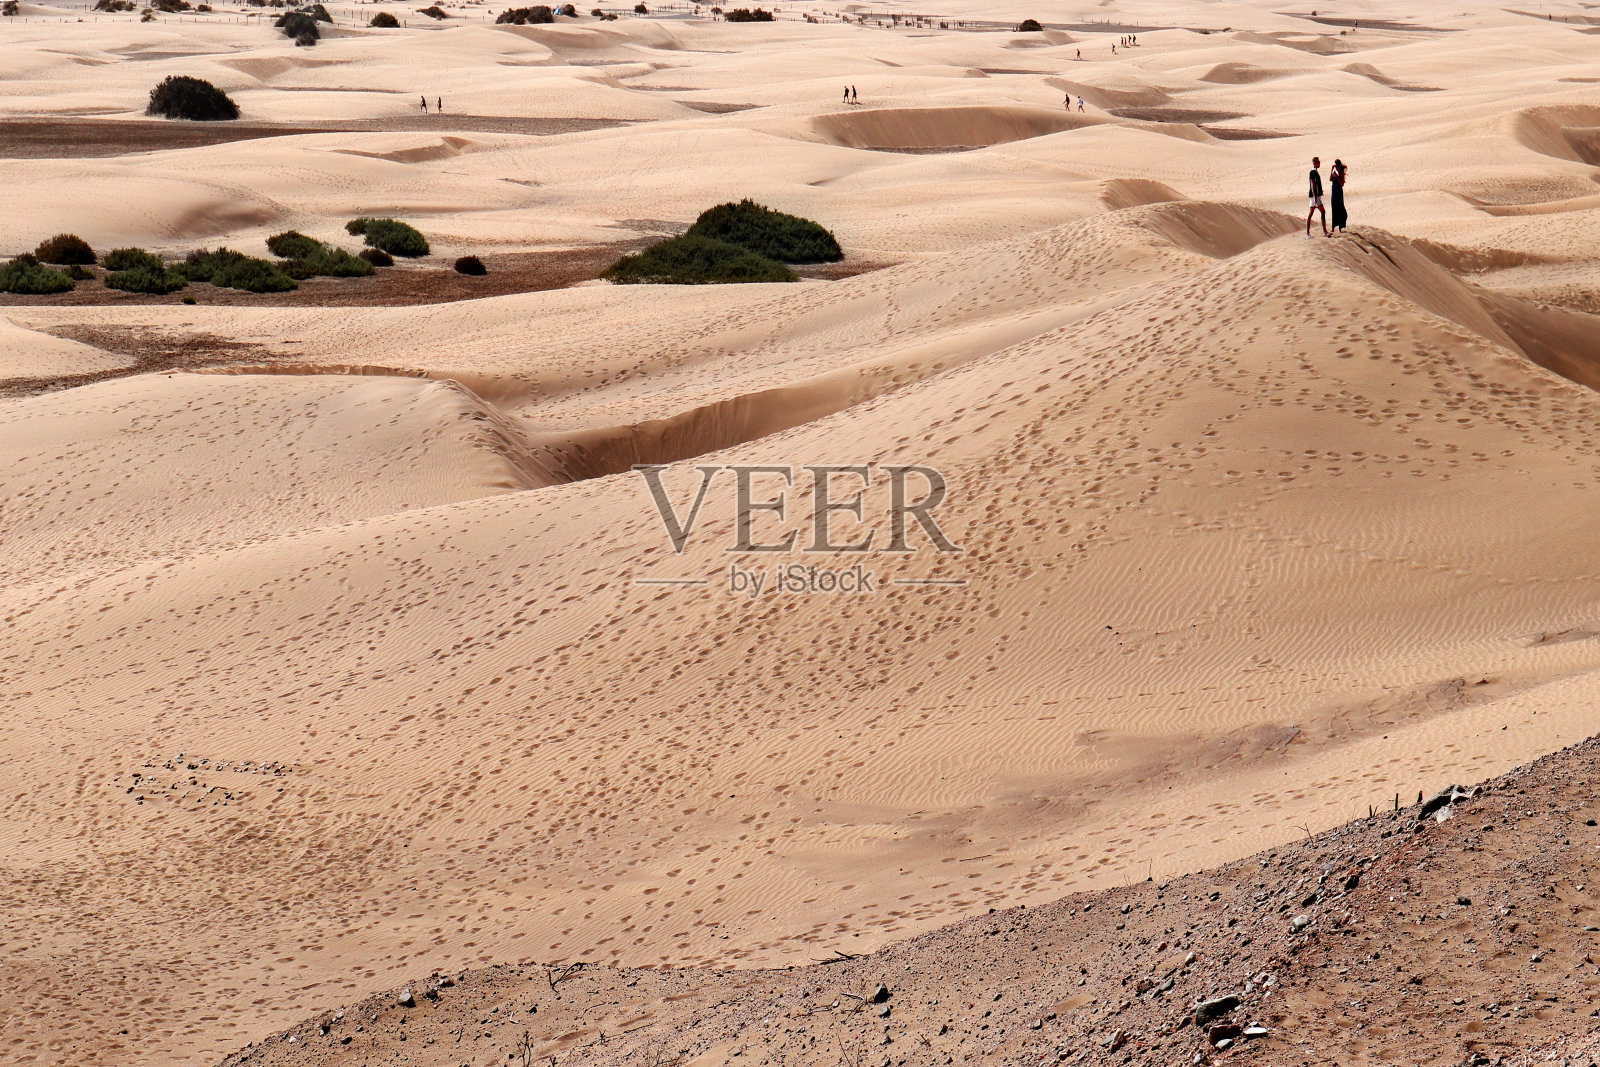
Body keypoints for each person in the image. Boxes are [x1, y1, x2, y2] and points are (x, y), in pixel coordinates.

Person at [1306, 155, 1329, 238]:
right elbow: (1313, 184)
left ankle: (1309, 233)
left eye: (1319, 162)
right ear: (1314, 163)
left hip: (1315, 196)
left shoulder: (1315, 172)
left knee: (1314, 213)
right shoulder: (1313, 172)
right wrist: (1315, 197)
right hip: (1314, 196)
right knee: (1320, 212)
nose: (1319, 163)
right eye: (1317, 162)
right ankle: (1324, 232)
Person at [1329, 159, 1349, 233]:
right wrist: (1331, 172)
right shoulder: (1334, 171)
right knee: (1334, 208)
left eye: (1337, 165)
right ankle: (1333, 227)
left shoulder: (1341, 172)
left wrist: (1337, 177)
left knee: (1340, 207)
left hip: (1339, 191)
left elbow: (1342, 184)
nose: (1336, 167)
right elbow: (1330, 179)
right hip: (1334, 190)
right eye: (1335, 165)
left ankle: (1340, 227)